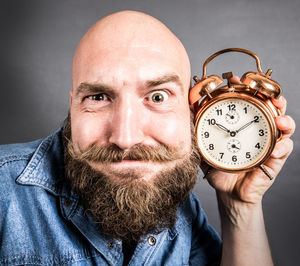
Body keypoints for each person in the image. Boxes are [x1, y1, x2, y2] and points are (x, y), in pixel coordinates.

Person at [0, 10, 295, 266]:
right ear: (74, 105)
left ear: (192, 114)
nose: (125, 139)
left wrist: (238, 206)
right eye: (99, 97)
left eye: (157, 96)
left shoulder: (179, 208)